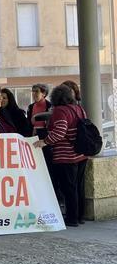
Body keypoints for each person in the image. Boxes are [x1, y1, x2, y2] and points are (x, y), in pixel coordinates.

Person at [34, 85, 89, 227]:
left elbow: (60, 131)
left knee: (68, 188)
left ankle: (71, 218)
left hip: (66, 156)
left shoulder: (59, 111)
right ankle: (80, 216)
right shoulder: (79, 109)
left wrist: (45, 142)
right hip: (81, 154)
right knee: (79, 187)